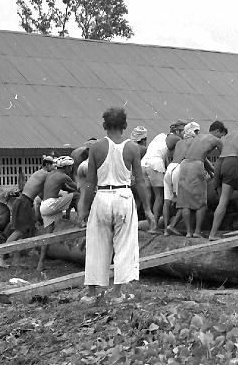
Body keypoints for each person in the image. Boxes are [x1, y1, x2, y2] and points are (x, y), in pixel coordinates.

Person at [79, 107, 155, 305]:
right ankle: (117, 292)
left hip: (102, 195)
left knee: (96, 243)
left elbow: (89, 182)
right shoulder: (132, 148)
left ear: (104, 125)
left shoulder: (96, 148)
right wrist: (147, 209)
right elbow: (139, 181)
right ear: (125, 126)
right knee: (124, 244)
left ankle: (91, 292)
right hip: (123, 196)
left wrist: (83, 208)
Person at [0, 156, 55, 268]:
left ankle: (16, 261)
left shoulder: (40, 173)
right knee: (19, 232)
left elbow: (41, 193)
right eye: (53, 165)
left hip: (25, 202)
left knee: (25, 230)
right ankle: (0, 256)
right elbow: (52, 188)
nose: (54, 167)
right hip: (24, 202)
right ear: (47, 165)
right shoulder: (46, 174)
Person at [178, 121, 227, 238]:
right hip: (196, 165)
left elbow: (202, 158)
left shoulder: (198, 136)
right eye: (221, 134)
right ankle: (197, 232)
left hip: (184, 165)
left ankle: (189, 232)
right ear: (217, 131)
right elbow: (224, 157)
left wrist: (212, 172)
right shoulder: (216, 140)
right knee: (201, 203)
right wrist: (220, 173)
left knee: (185, 202)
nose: (221, 137)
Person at [38, 156, 78, 270]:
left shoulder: (52, 174)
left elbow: (65, 188)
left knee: (48, 235)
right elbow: (77, 188)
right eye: (71, 167)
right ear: (68, 167)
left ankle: (40, 264)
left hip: (44, 205)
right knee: (77, 195)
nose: (71, 169)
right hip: (51, 205)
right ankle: (83, 219)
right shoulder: (64, 176)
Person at [164, 121, 201, 235]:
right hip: (180, 168)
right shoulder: (194, 142)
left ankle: (166, 230)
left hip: (170, 168)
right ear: (195, 132)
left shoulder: (180, 142)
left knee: (167, 201)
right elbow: (201, 158)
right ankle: (174, 225)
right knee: (184, 201)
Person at [140, 130, 170, 230]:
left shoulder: (156, 139)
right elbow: (165, 160)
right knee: (159, 196)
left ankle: (150, 224)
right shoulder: (170, 140)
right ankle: (154, 226)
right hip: (155, 164)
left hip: (143, 164)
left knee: (147, 195)